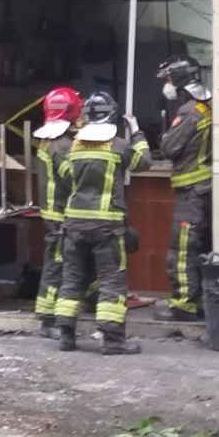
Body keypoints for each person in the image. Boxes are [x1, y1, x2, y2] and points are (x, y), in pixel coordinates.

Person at [53, 90, 149, 355]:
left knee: (72, 279)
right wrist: (137, 131)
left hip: (73, 225)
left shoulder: (72, 146)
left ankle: (66, 336)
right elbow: (144, 162)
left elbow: (63, 181)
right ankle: (113, 341)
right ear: (112, 115)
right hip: (106, 226)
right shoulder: (117, 145)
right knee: (111, 283)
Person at [156, 56, 212, 322]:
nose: (166, 85)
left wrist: (164, 134)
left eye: (168, 79)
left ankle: (183, 305)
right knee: (197, 248)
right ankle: (197, 300)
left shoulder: (190, 111)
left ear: (178, 80)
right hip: (203, 190)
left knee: (181, 251)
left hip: (191, 192)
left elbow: (169, 148)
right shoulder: (206, 106)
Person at [31, 87, 81, 337]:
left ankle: (54, 314)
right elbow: (73, 178)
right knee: (57, 266)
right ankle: (48, 320)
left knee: (58, 263)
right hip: (61, 214)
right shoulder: (62, 144)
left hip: (52, 213)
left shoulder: (48, 137)